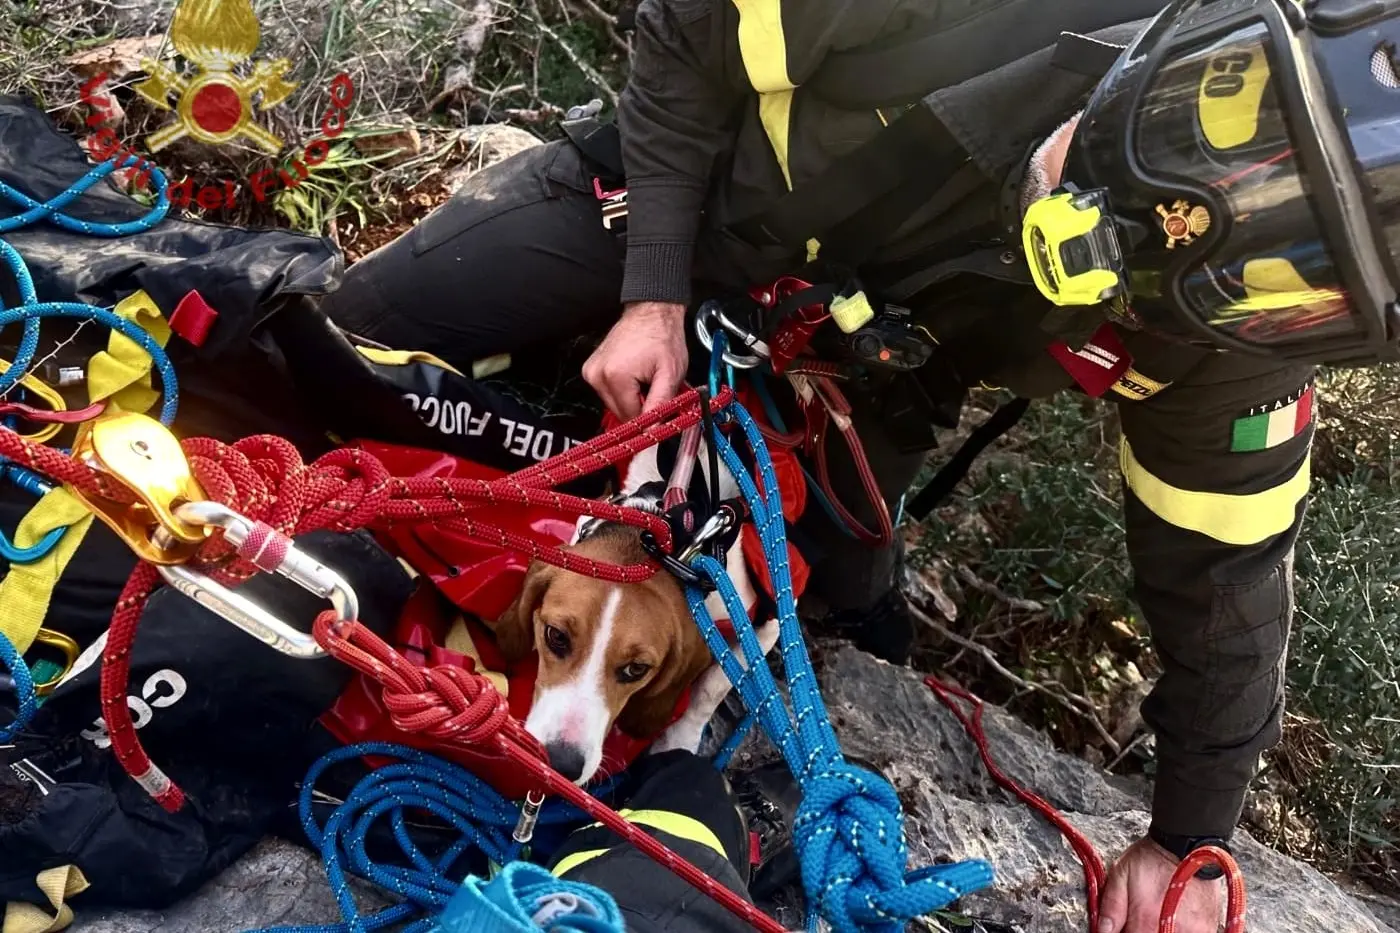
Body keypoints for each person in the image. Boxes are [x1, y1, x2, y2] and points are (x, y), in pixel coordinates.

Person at [318, 0, 1400, 930]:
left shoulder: (1214, 349)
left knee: (845, 593)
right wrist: (652, 289)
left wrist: (1187, 839)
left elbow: (1227, 577)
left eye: (1275, 272)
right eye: (1198, 127)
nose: (1135, 244)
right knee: (341, 341)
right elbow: (686, 32)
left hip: (840, 378)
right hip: (675, 206)